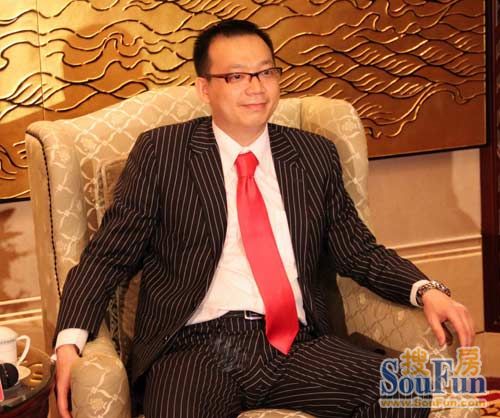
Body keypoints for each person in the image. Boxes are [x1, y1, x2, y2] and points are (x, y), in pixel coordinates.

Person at [54, 19, 475, 418]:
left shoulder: (313, 155)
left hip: (297, 344)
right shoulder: (163, 153)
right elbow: (108, 256)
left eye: (266, 72)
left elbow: (358, 250)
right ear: (204, 88)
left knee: (404, 390)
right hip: (194, 349)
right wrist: (69, 341)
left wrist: (426, 290)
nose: (255, 87)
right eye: (236, 76)